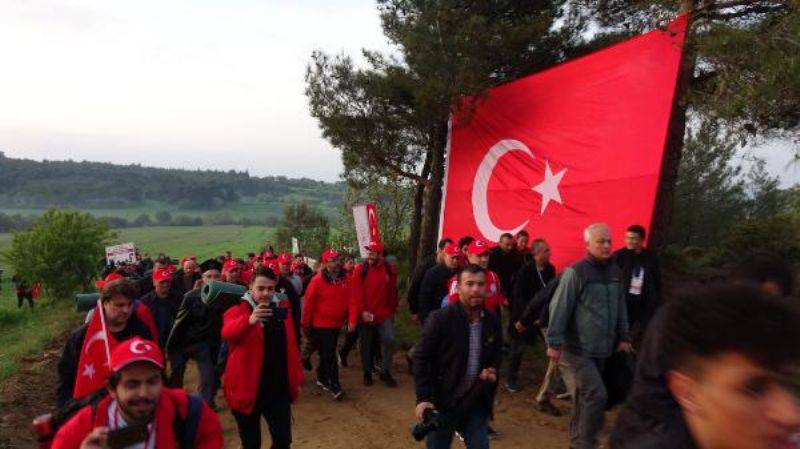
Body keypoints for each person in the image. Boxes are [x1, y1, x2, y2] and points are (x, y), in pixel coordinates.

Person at [610, 253, 796, 449]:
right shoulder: (688, 323)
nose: (790, 414)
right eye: (753, 390)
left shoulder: (761, 340)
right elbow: (652, 390)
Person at [546, 223, 632, 449]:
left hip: (603, 349)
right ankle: (586, 444)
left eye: (609, 241)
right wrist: (553, 342)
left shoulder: (615, 273)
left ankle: (577, 442)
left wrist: (624, 337)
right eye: (600, 242)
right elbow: (559, 307)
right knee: (596, 395)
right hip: (576, 349)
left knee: (585, 397)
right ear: (587, 245)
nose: (606, 246)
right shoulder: (576, 272)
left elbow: (621, 307)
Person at [51, 337, 223, 449]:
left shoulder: (192, 414)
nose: (144, 393)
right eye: (132, 384)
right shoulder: (81, 427)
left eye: (152, 381)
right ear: (112, 389)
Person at [413, 264, 503, 449]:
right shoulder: (441, 319)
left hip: (475, 400)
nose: (476, 289)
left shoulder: (492, 320)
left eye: (480, 284)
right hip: (443, 403)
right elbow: (421, 357)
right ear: (458, 287)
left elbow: (496, 352)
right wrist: (423, 398)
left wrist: (492, 369)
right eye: (469, 284)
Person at [222, 266, 303, 449]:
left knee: (283, 441)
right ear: (250, 287)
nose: (266, 293)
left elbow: (291, 349)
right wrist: (249, 321)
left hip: (277, 390)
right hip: (247, 390)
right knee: (251, 444)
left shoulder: (282, 312)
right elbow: (227, 332)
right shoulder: (238, 310)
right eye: (261, 288)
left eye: (270, 288)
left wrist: (295, 380)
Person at [56, 279, 157, 407]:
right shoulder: (80, 338)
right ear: (104, 304)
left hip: (134, 407)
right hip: (92, 408)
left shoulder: (141, 332)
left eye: (129, 304)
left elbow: (153, 369)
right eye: (119, 305)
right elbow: (66, 380)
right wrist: (64, 412)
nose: (126, 310)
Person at [166, 264, 223, 405]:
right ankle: (181, 403)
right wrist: (171, 347)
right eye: (209, 276)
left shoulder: (225, 296)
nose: (213, 280)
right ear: (202, 279)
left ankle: (207, 400)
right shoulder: (191, 297)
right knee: (200, 373)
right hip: (192, 342)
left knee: (214, 373)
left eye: (216, 276)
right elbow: (179, 322)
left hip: (214, 342)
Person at [301, 248, 353, 399]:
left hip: (336, 324)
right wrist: (305, 325)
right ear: (325, 264)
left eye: (338, 259)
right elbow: (308, 305)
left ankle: (322, 377)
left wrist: (351, 319)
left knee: (326, 353)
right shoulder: (316, 281)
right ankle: (334, 384)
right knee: (329, 353)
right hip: (320, 324)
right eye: (332, 261)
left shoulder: (346, 278)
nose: (337, 263)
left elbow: (351, 299)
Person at [506, 238, 556, 393]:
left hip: (544, 316)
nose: (550, 253)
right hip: (523, 316)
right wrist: (526, 318)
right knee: (517, 349)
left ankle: (554, 384)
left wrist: (543, 315)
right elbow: (519, 297)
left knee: (554, 347)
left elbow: (551, 293)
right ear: (538, 253)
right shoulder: (525, 271)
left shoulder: (550, 269)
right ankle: (511, 379)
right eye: (547, 250)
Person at [350, 242, 399, 387]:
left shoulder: (389, 269)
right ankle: (367, 372)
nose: (369, 256)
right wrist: (363, 311)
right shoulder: (360, 269)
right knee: (366, 344)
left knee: (389, 339)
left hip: (384, 313)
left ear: (380, 254)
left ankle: (384, 371)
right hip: (366, 313)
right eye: (368, 252)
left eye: (372, 253)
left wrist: (392, 309)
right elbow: (356, 292)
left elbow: (392, 291)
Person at [612, 224, 661, 338]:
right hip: (623, 298)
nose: (630, 241)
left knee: (638, 329)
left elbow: (656, 279)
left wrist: (657, 299)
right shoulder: (619, 256)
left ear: (642, 240)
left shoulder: (651, 257)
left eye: (634, 238)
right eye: (627, 238)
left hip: (642, 299)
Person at [407, 238, 453, 324]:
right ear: (439, 250)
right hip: (427, 312)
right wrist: (414, 310)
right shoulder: (425, 266)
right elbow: (414, 286)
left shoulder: (449, 268)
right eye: (447, 250)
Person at [139, 268, 184, 349]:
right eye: (162, 282)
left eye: (167, 281)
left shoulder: (179, 298)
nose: (165, 285)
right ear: (154, 282)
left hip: (176, 344)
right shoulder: (145, 302)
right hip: (154, 344)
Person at [417, 243, 461, 324]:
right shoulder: (432, 273)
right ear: (445, 256)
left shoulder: (462, 273)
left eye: (457, 258)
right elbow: (424, 297)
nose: (455, 261)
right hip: (436, 316)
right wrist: (426, 319)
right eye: (452, 257)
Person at [488, 232, 524, 299]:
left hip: (511, 289)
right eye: (507, 245)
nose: (510, 248)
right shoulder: (492, 255)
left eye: (511, 245)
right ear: (500, 243)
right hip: (496, 289)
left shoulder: (516, 254)